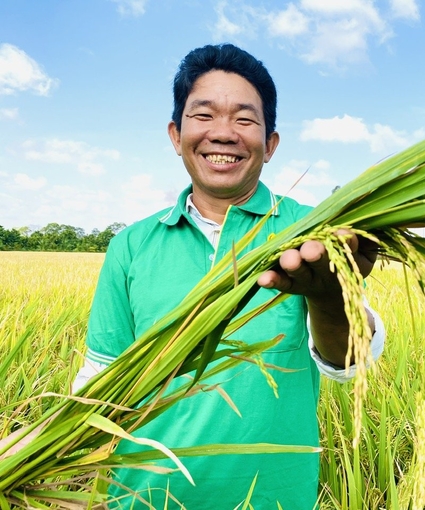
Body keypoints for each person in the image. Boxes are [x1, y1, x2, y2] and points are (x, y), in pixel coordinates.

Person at [73, 43, 385, 509]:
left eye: (244, 119)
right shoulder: (132, 246)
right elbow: (99, 378)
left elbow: (350, 364)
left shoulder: (310, 232)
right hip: (141, 497)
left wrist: (327, 300)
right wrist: (38, 456)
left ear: (271, 144)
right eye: (204, 116)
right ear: (176, 135)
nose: (223, 134)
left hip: (273, 497)